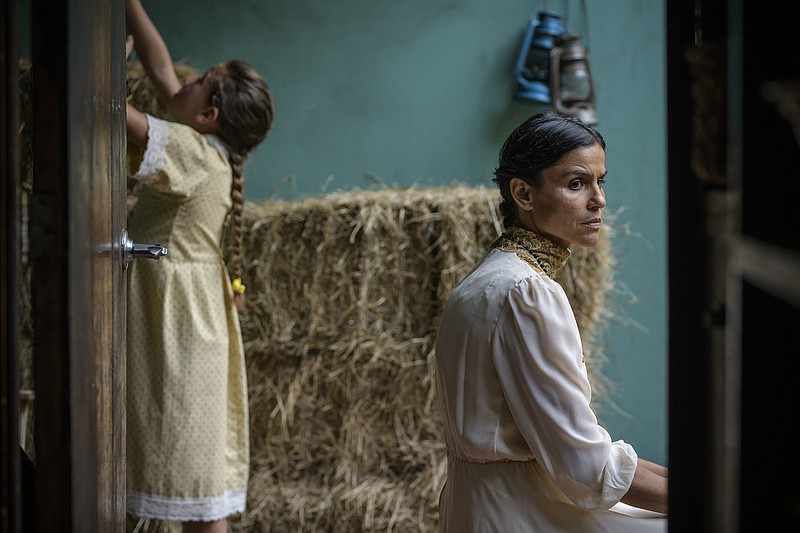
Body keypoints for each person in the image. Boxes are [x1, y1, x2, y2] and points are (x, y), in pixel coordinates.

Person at [434, 112, 668, 532]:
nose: (599, 200)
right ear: (523, 193)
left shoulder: (486, 279)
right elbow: (585, 467)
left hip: (482, 508)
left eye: (601, 181)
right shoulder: (526, 292)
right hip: (525, 514)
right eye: (577, 183)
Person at [123, 1, 275, 531]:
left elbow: (105, 109)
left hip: (179, 323)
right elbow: (162, 71)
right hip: (199, 319)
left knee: (196, 491)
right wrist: (130, 8)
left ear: (208, 115)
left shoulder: (189, 149)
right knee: (200, 487)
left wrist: (102, 63)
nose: (185, 81)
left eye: (201, 81)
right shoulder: (207, 146)